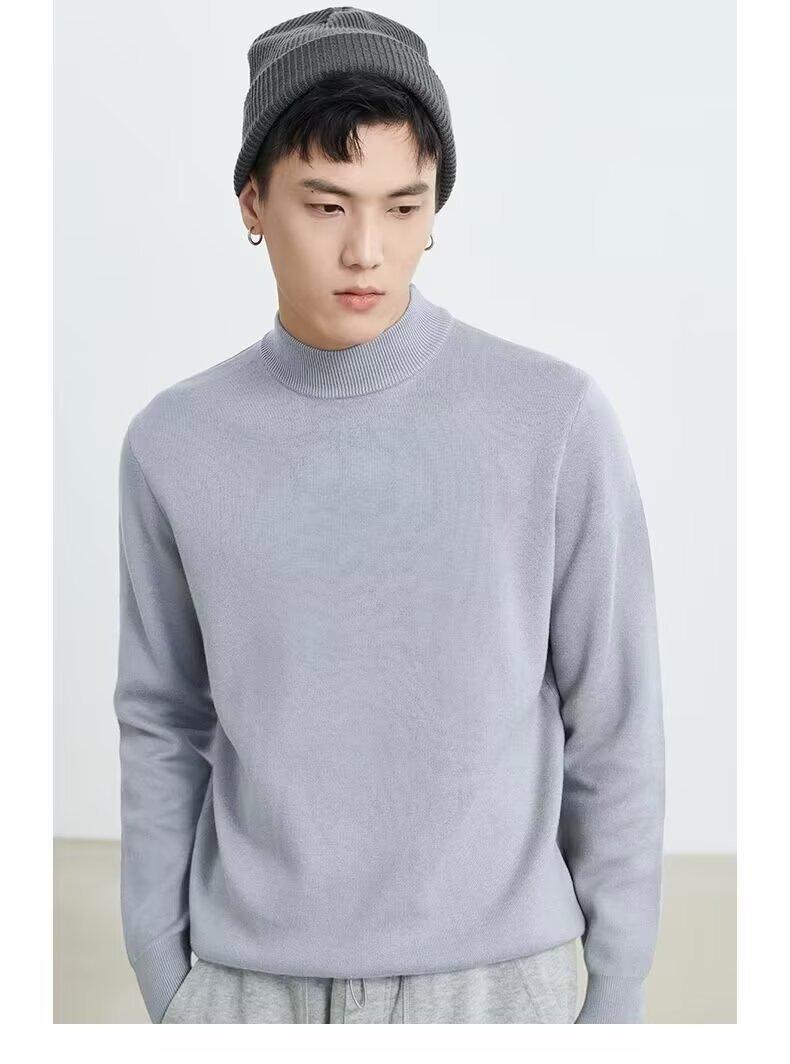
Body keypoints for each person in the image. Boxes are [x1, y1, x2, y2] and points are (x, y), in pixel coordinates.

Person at [113, 6, 665, 1025]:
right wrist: (164, 968)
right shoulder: (174, 443)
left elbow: (615, 719)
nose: (367, 249)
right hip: (245, 990)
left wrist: (618, 989)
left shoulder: (551, 419)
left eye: (403, 206)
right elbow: (161, 715)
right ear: (252, 202)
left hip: (504, 987)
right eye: (326, 205)